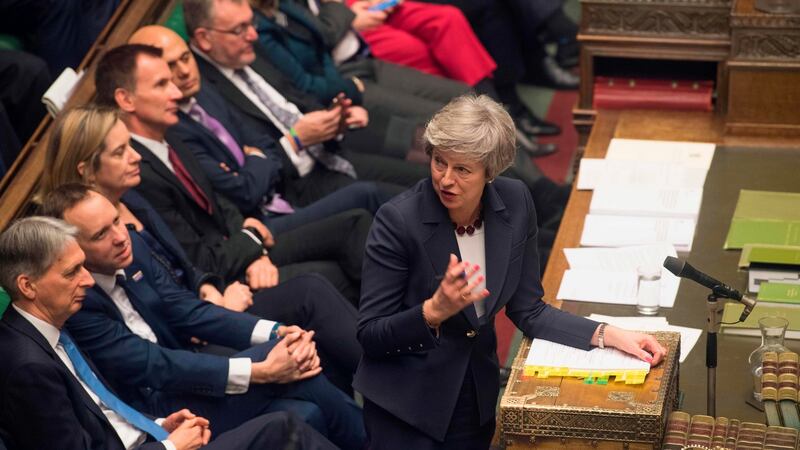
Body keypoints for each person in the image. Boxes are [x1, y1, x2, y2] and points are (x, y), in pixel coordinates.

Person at [354, 95, 667, 449]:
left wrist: (608, 334)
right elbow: (370, 334)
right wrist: (433, 312)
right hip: (407, 408)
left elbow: (528, 309)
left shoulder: (515, 202)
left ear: (491, 171)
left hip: (475, 397)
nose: (446, 179)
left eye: (463, 169)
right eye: (439, 162)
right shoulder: (398, 220)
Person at [36, 105, 364, 390]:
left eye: (130, 146)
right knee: (310, 297)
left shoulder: (132, 196)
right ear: (87, 170)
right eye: (120, 151)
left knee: (314, 310)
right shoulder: (73, 242)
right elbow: (152, 317)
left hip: (205, 302)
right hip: (185, 337)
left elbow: (187, 262)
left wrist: (207, 284)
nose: (136, 156)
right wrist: (218, 294)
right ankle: (391, 376)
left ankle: (385, 380)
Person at [37, 189, 366, 448]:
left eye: (116, 221)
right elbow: (152, 364)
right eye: (100, 235)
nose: (120, 236)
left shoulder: (131, 246)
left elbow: (187, 310)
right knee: (296, 372)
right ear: (73, 249)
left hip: (187, 368)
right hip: (157, 407)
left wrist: (277, 332)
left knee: (297, 365)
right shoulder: (79, 302)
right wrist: (257, 371)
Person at [93, 43, 371, 299]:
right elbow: (196, 256)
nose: (176, 92)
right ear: (126, 100)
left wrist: (250, 240)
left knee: (355, 222)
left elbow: (220, 202)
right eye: (162, 84)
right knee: (328, 275)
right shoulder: (134, 171)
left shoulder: (169, 134)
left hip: (241, 242)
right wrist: (252, 242)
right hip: (224, 275)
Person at [128, 25, 389, 235]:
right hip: (260, 220)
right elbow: (243, 192)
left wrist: (257, 158)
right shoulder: (170, 128)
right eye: (170, 68)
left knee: (389, 191)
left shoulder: (204, 91)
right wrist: (259, 158)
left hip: (293, 180)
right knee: (368, 199)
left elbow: (263, 143)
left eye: (185, 58)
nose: (184, 72)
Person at [184, 0, 429, 185]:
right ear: (204, 39)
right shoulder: (205, 92)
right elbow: (257, 163)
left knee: (430, 143)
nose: (252, 35)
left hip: (331, 130)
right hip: (307, 172)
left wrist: (333, 113)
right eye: (240, 29)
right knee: (425, 176)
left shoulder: (245, 51)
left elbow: (294, 91)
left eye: (251, 23)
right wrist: (297, 138)